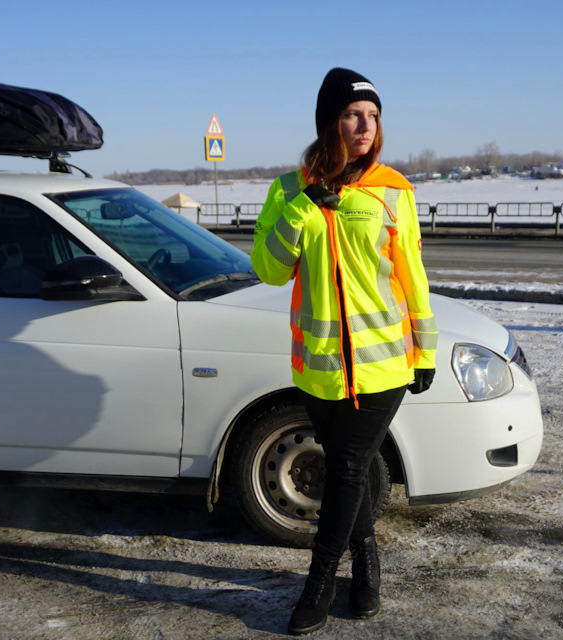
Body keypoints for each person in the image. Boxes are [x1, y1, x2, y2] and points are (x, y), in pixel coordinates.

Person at [250, 67, 437, 635]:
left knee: (349, 470)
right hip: (322, 370)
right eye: (355, 115)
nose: (366, 126)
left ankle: (320, 583)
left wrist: (424, 351)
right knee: (347, 472)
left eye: (374, 116)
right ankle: (370, 564)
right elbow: (267, 269)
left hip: (383, 366)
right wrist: (305, 208)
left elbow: (412, 276)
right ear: (330, 121)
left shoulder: (392, 191)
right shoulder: (289, 191)